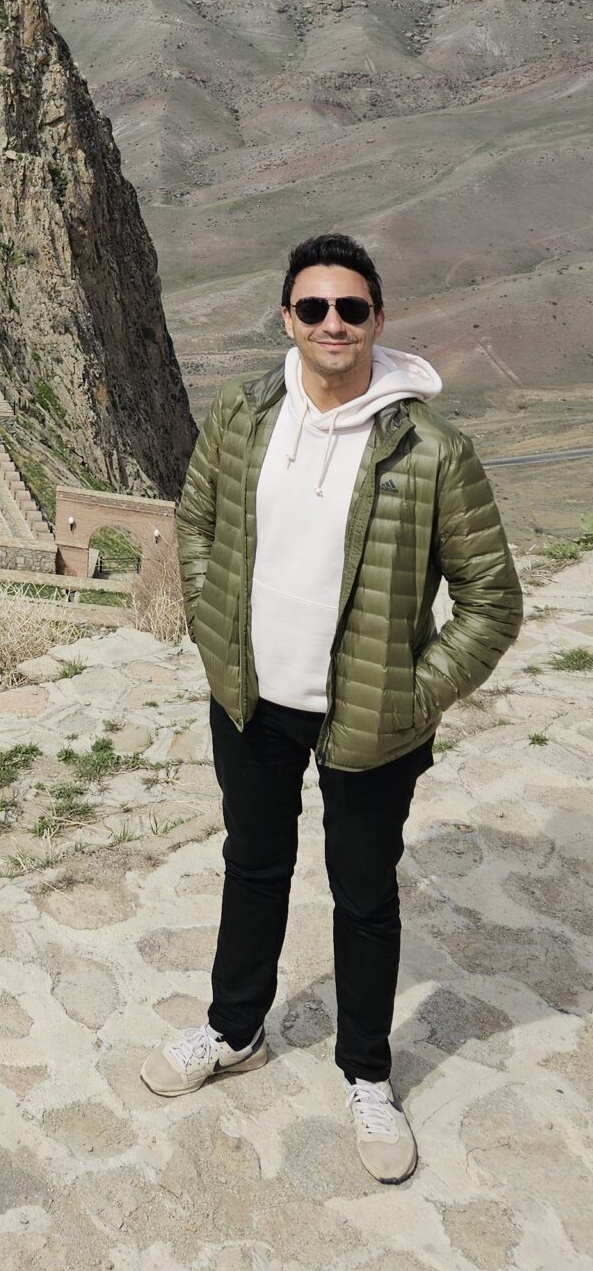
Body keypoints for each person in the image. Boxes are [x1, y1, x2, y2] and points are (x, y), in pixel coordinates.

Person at [142, 234, 521, 1181]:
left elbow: (493, 603)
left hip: (370, 719)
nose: (332, 325)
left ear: (378, 320)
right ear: (287, 319)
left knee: (364, 897)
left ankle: (367, 1076)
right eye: (313, 309)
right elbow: (196, 522)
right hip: (253, 699)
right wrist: (210, 625)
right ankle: (236, 1031)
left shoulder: (434, 450)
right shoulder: (244, 415)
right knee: (253, 866)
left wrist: (413, 693)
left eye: (351, 308)